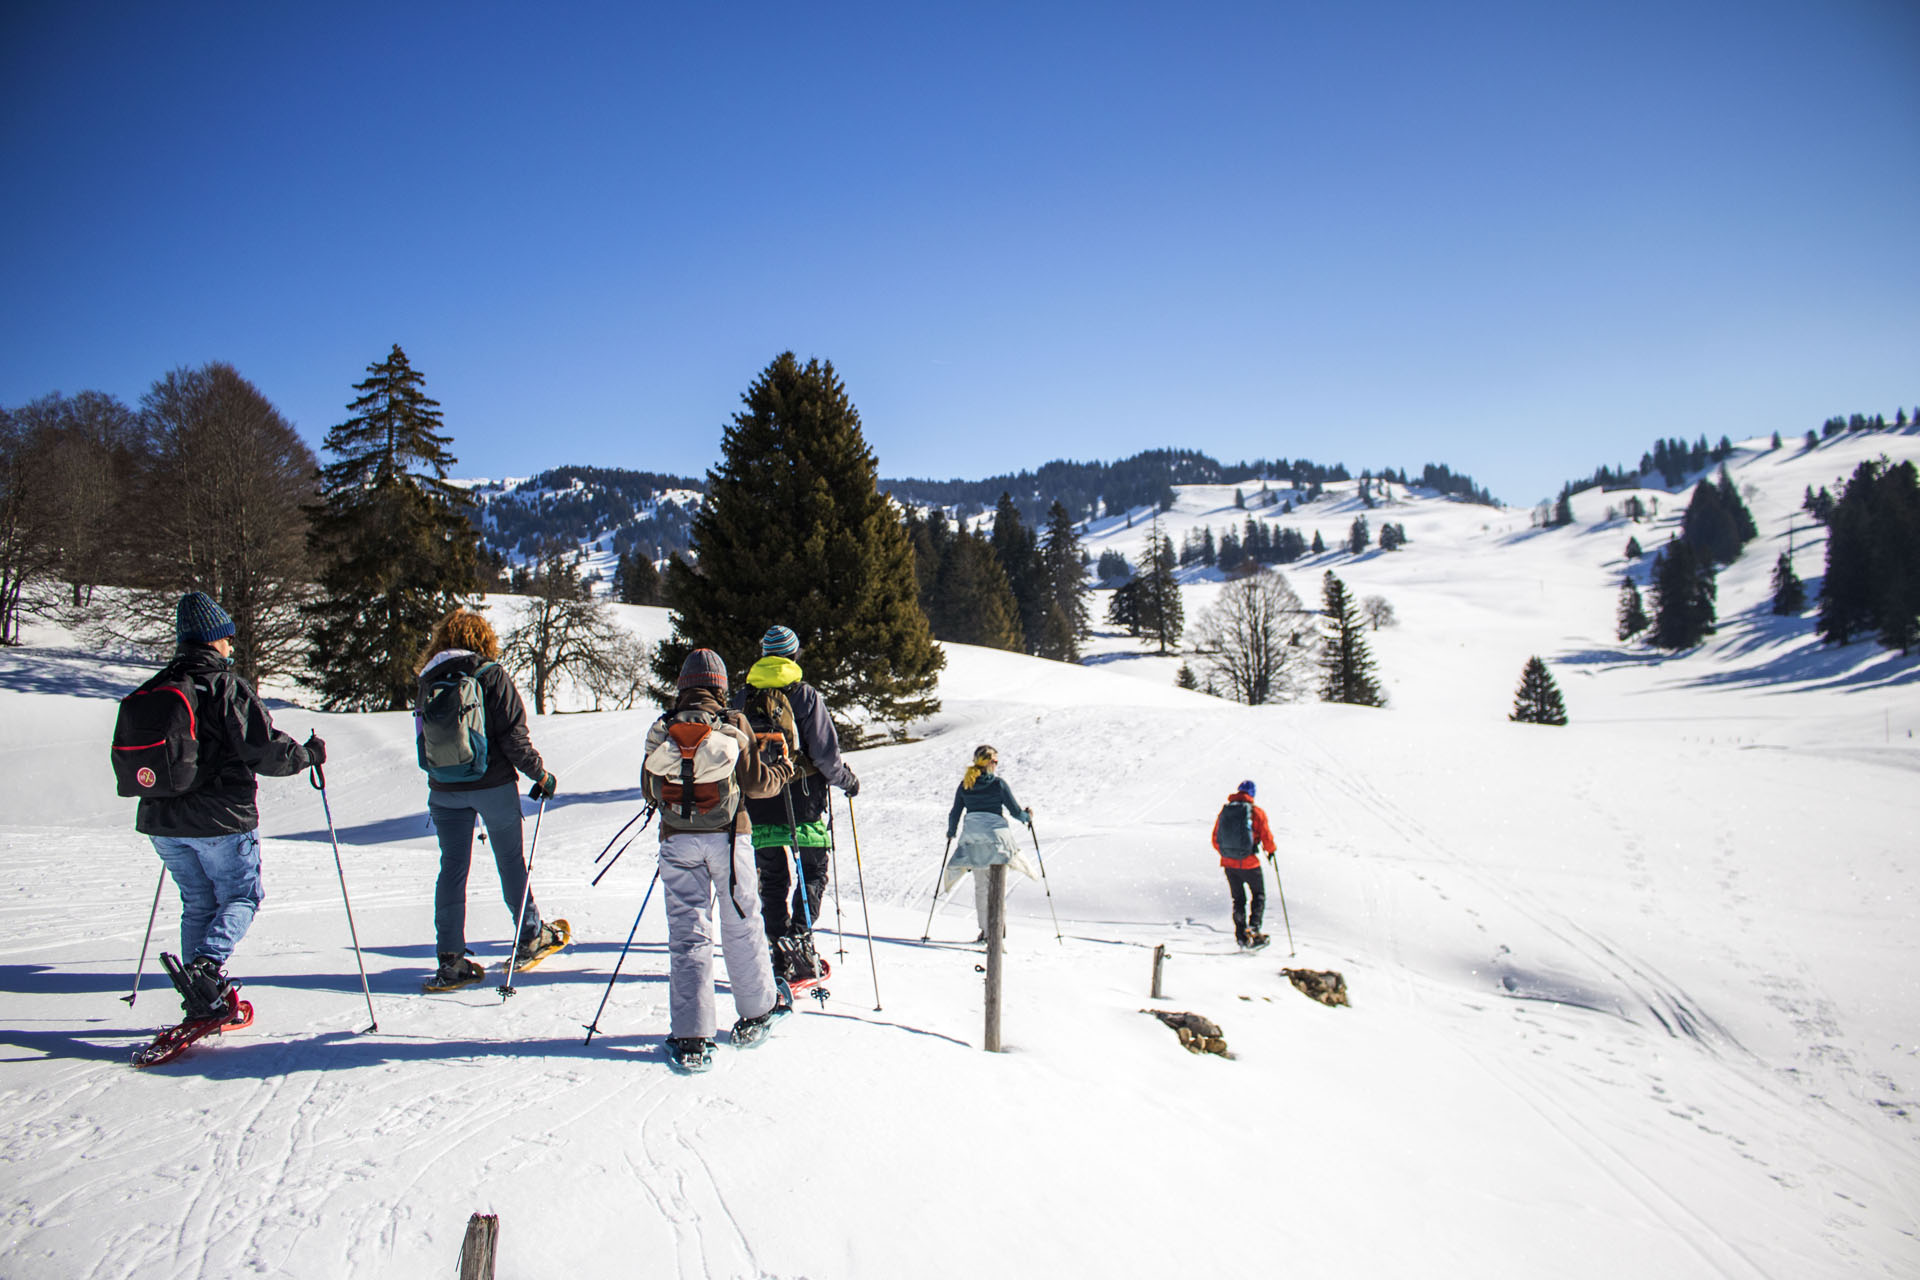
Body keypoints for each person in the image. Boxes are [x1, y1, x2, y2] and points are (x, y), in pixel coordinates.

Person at [133, 591, 322, 1021]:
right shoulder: (225, 686)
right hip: (221, 819)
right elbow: (265, 750)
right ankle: (207, 968)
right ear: (214, 639)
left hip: (162, 821)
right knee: (242, 895)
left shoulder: (158, 686)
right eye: (228, 637)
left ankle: (202, 997)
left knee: (197, 903)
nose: (231, 646)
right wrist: (308, 755)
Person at [649, 648, 795, 1072]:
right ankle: (756, 1012)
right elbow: (756, 784)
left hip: (678, 840)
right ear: (720, 685)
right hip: (730, 838)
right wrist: (783, 770)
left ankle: (692, 1037)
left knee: (688, 934)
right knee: (741, 924)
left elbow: (649, 787)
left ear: (683, 685)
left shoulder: (662, 726)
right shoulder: (734, 723)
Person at [416, 608, 566, 992]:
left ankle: (450, 959)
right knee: (510, 862)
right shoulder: (490, 675)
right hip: (493, 786)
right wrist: (541, 776)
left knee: (452, 869)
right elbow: (514, 739)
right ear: (482, 640)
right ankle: (531, 935)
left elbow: (425, 741)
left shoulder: (427, 680)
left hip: (444, 790)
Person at [732, 624, 860, 981]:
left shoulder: (743, 698)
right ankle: (800, 938)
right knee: (813, 870)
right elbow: (825, 754)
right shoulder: (804, 695)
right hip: (803, 799)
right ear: (793, 654)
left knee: (772, 876)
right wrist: (847, 782)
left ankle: (778, 951)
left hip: (758, 799)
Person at [943, 744, 1038, 942]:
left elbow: (955, 812)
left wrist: (951, 833)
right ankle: (997, 930)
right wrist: (1027, 818)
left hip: (974, 839)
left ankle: (986, 931)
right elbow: (1014, 811)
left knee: (981, 887)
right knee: (997, 886)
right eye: (995, 761)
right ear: (988, 762)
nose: (996, 764)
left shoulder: (965, 784)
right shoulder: (998, 784)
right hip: (998, 840)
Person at [1212, 779, 1276, 949]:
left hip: (1229, 865)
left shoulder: (1225, 812)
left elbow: (1215, 839)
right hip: (1250, 864)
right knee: (1258, 895)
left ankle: (1241, 936)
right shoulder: (1256, 812)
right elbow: (1266, 838)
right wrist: (1271, 850)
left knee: (1238, 899)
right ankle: (1254, 930)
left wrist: (1228, 854)